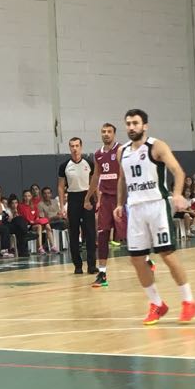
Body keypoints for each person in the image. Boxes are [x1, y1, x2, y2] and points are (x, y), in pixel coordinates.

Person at [114, 109, 195, 325]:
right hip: (135, 209)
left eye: (135, 123)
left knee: (167, 254)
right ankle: (157, 304)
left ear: (145, 126)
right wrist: (119, 204)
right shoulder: (122, 151)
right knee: (136, 259)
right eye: (128, 123)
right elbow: (122, 179)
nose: (131, 127)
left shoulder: (156, 146)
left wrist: (177, 194)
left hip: (156, 206)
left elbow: (178, 171)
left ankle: (188, 301)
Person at [88, 123, 126, 287]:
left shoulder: (121, 150)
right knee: (102, 234)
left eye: (109, 131)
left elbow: (125, 175)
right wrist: (88, 197)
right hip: (105, 199)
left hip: (121, 198)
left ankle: (145, 260)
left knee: (130, 233)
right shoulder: (97, 154)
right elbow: (95, 177)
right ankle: (102, 273)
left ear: (114, 134)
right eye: (103, 131)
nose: (106, 134)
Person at [58, 137, 97, 274]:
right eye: (72, 146)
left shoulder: (89, 163)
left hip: (87, 197)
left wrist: (97, 200)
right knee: (74, 232)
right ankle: (78, 266)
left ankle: (92, 265)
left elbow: (94, 183)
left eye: (77, 146)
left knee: (90, 233)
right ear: (69, 148)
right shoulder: (64, 166)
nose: (74, 148)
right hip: (73, 198)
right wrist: (62, 206)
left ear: (81, 146)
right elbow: (61, 187)